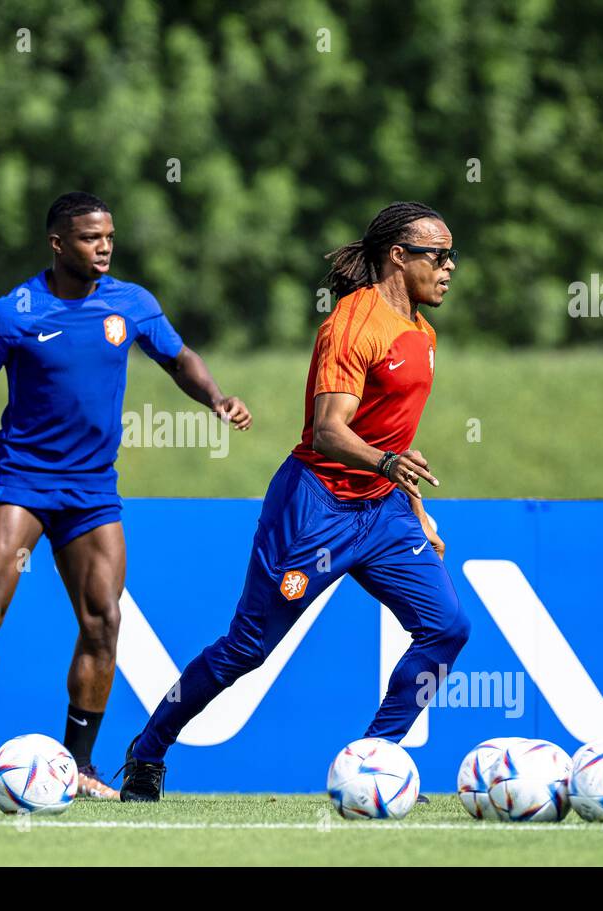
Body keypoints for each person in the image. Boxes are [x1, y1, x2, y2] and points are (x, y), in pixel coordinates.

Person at [119, 201, 468, 802]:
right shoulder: (352, 325)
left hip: (383, 510)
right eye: (438, 255)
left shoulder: (423, 332)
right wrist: (387, 467)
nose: (450, 267)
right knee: (247, 648)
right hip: (317, 507)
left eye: (450, 256)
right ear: (398, 256)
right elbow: (330, 430)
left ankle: (375, 761)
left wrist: (414, 509)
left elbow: (393, 438)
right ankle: (147, 751)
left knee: (446, 628)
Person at [0, 192, 251, 798]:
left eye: (110, 237)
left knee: (103, 621)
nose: (105, 247)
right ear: (58, 243)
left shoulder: (132, 303)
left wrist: (216, 397)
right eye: (92, 238)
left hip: (92, 490)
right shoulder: (13, 312)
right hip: (22, 480)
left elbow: (179, 359)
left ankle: (80, 762)